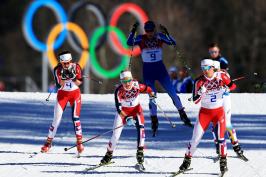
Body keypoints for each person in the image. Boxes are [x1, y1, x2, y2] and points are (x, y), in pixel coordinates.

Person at [127, 21, 192, 136]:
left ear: (154, 30)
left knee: (172, 93)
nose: (149, 33)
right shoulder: (141, 38)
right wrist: (132, 31)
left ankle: (183, 116)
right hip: (148, 71)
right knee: (152, 96)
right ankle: (154, 121)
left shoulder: (159, 37)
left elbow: (173, 42)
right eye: (147, 31)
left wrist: (167, 33)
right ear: (145, 31)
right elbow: (129, 42)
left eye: (151, 31)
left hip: (160, 70)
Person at [178, 59, 236, 175]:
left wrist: (227, 89)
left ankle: (223, 162)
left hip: (219, 112)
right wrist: (200, 93)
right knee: (195, 139)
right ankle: (186, 160)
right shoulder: (199, 81)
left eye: (206, 68)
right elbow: (195, 101)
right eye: (202, 68)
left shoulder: (221, 77)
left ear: (212, 67)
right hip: (204, 114)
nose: (204, 71)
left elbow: (233, 86)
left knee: (221, 139)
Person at [100, 70, 155, 168]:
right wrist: (126, 117)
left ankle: (140, 153)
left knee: (141, 129)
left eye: (129, 81)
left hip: (136, 110)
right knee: (115, 135)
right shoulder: (118, 91)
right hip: (123, 113)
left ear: (132, 79)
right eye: (124, 82)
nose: (127, 84)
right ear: (121, 82)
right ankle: (108, 154)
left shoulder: (137, 85)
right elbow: (119, 109)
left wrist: (152, 96)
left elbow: (149, 89)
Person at [41, 51, 84, 155]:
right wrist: (64, 77)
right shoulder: (57, 69)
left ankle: (79, 143)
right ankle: (48, 143)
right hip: (62, 95)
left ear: (71, 61)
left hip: (75, 94)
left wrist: (73, 77)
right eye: (64, 63)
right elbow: (59, 85)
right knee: (56, 119)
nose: (66, 65)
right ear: (61, 62)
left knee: (75, 118)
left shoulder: (76, 67)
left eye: (68, 62)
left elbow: (79, 82)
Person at [211, 59, 248, 160]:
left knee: (227, 124)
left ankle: (237, 147)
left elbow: (233, 86)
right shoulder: (208, 76)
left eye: (213, 69)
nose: (212, 71)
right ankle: (219, 148)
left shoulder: (222, 73)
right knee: (214, 125)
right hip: (214, 102)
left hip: (225, 100)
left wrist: (226, 88)